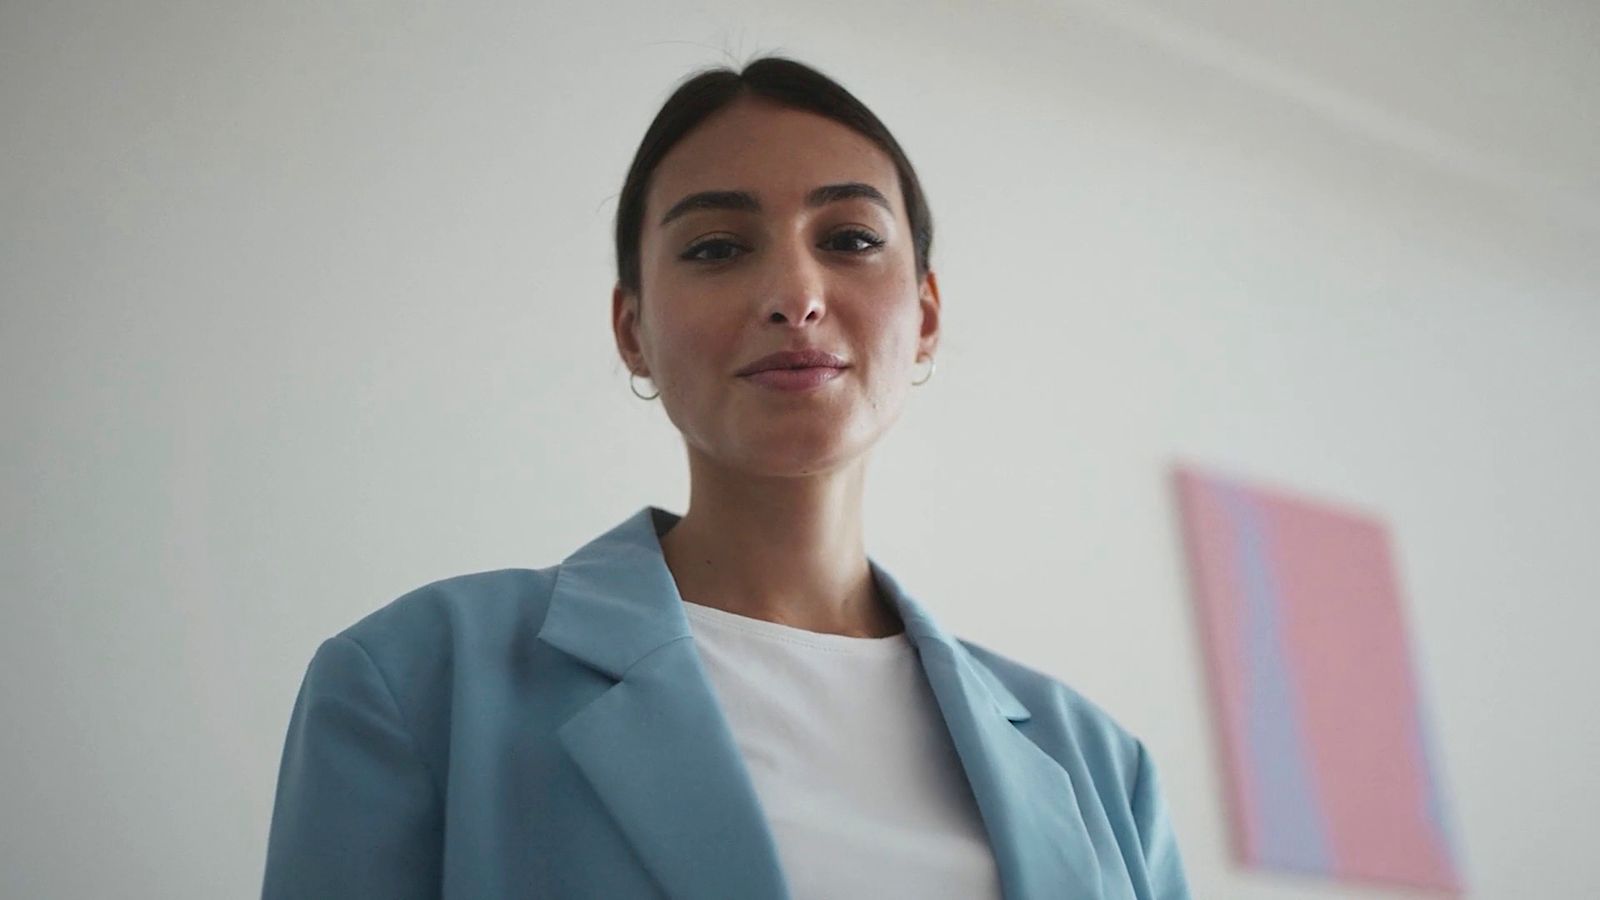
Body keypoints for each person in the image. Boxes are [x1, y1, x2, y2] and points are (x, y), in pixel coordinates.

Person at [261, 56, 1193, 900]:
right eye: (716, 248)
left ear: (928, 313)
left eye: (852, 239)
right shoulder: (417, 681)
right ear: (633, 330)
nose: (795, 294)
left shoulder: (1103, 772)